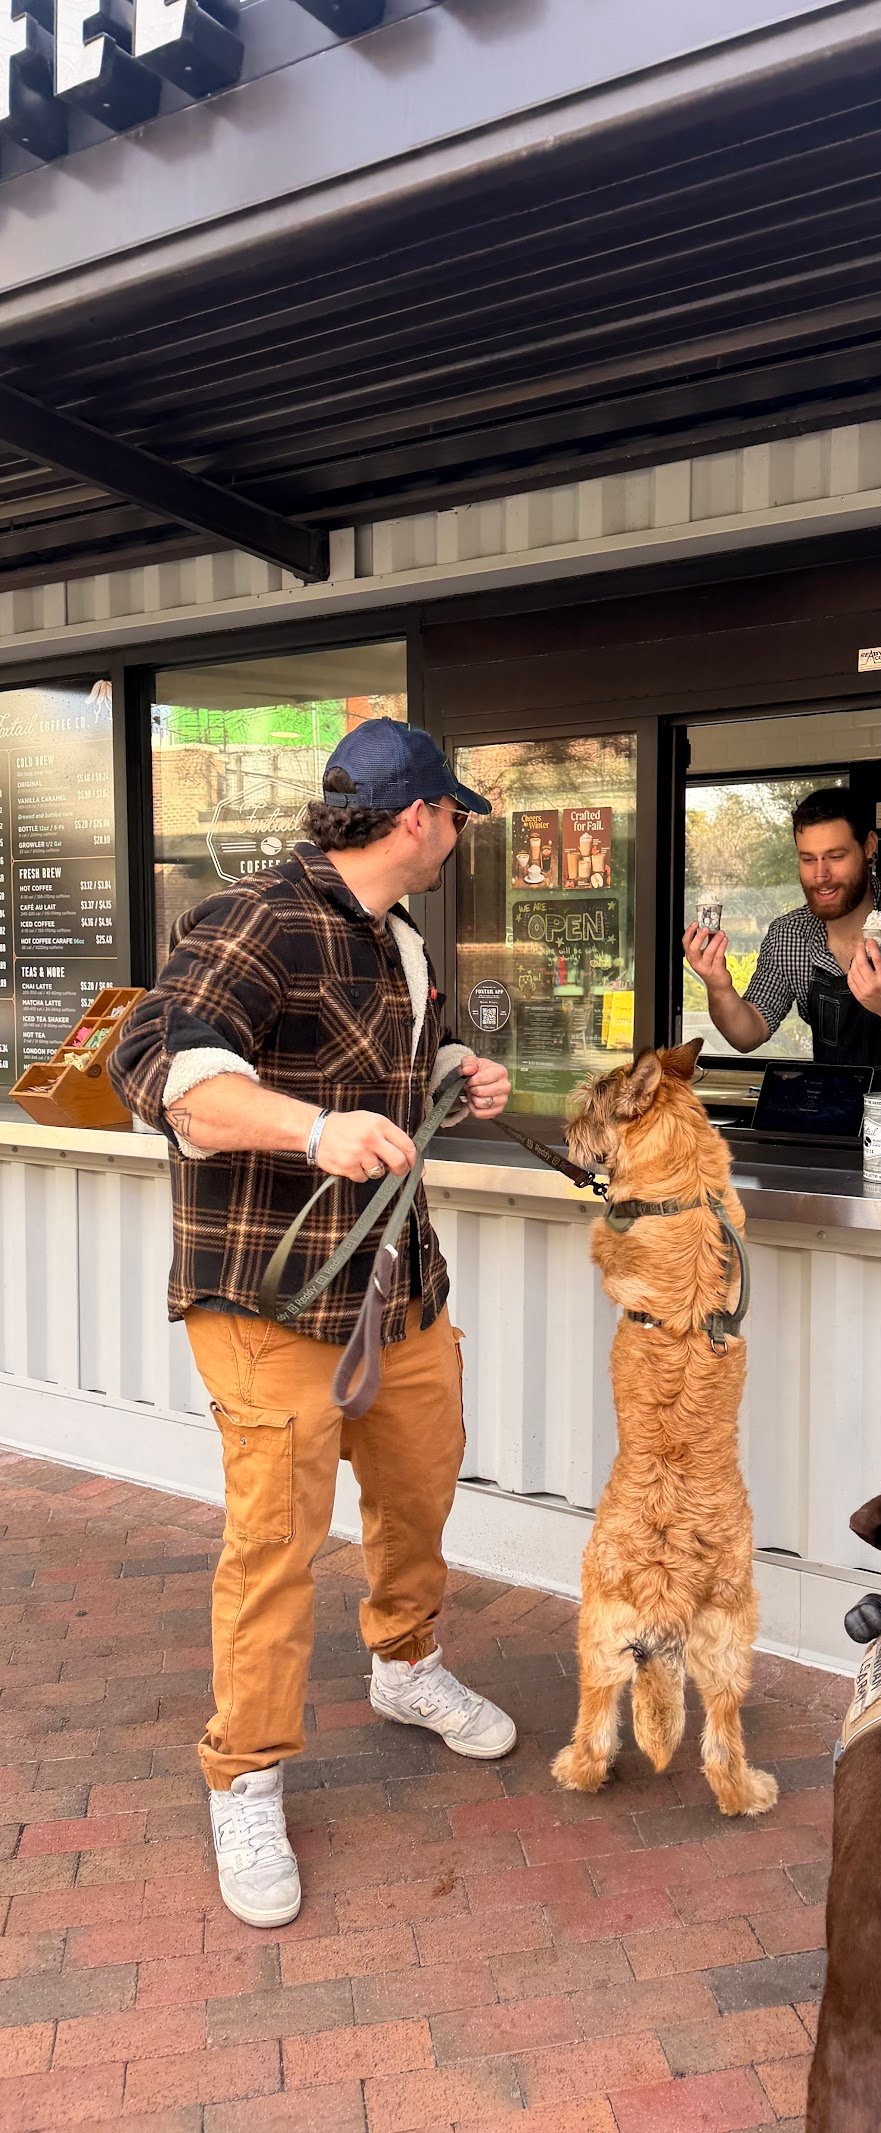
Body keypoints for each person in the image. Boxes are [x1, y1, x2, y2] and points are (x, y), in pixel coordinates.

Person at [111, 720, 516, 1931]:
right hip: (274, 1308)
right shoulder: (256, 920)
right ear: (416, 820)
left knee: (418, 1491)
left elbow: (377, 1063)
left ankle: (405, 1668)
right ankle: (244, 1774)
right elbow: (155, 1063)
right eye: (453, 815)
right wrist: (309, 1131)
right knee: (274, 1548)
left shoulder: (400, 937)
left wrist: (450, 1067)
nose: (454, 835)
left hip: (400, 1293)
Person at [683, 786, 881, 1066]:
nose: (820, 875)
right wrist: (718, 987)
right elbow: (748, 1034)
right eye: (808, 859)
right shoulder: (790, 934)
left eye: (836, 857)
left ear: (869, 847)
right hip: (832, 1105)